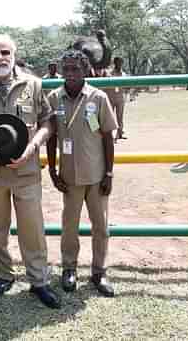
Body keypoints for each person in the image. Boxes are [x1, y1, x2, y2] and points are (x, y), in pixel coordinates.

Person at [0, 34, 61, 309]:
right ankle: (4, 275)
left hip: (26, 170)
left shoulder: (34, 84)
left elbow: (47, 122)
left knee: (33, 228)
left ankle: (38, 280)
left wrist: (32, 148)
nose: (0, 58)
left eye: (5, 52)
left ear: (14, 54)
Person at [46, 50, 118, 298]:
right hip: (69, 178)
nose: (70, 73)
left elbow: (108, 136)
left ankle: (99, 271)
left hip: (97, 177)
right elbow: (52, 137)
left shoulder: (98, 97)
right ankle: (69, 268)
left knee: (101, 227)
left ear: (85, 70)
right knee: (69, 226)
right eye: (66, 68)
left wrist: (109, 173)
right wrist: (53, 171)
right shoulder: (54, 98)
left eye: (76, 68)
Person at [107, 56, 130, 141]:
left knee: (120, 116)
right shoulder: (109, 74)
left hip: (120, 97)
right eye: (118, 63)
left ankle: (120, 133)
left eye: (121, 63)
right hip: (111, 97)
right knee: (109, 116)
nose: (120, 64)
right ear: (115, 63)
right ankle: (109, 134)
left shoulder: (124, 74)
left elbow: (127, 86)